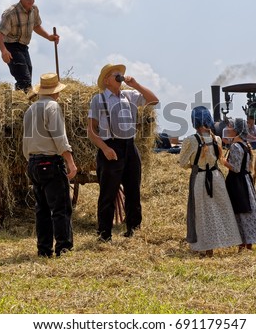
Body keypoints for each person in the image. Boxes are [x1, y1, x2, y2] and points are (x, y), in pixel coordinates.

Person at [87, 63, 159, 242]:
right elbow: (91, 130)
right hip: (111, 146)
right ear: (107, 80)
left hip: (129, 146)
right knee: (108, 193)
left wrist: (136, 84)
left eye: (120, 74)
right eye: (115, 74)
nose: (120, 76)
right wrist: (104, 148)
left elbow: (154, 100)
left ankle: (134, 230)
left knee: (133, 190)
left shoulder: (130, 95)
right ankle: (104, 234)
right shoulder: (99, 99)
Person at [23, 73, 77, 257]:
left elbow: (25, 142)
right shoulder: (52, 107)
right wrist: (70, 161)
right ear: (55, 92)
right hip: (50, 162)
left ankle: (44, 249)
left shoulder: (30, 109)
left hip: (33, 162)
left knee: (42, 209)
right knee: (61, 207)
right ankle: (64, 248)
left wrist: (31, 161)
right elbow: (60, 138)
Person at [179, 107, 242, 257]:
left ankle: (207, 248)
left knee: (202, 212)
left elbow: (182, 163)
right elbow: (219, 159)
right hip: (216, 177)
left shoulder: (190, 140)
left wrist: (192, 166)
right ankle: (229, 240)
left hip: (200, 178)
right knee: (222, 209)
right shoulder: (217, 139)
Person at [0, 0, 60, 92]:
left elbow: (36, 26)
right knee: (24, 79)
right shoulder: (11, 13)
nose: (32, 1)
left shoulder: (34, 10)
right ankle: (21, 103)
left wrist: (49, 36)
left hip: (24, 47)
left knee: (28, 73)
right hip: (11, 46)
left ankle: (22, 99)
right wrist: (4, 51)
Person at [222, 118, 256, 250]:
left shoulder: (235, 146)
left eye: (230, 127)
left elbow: (235, 168)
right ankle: (248, 244)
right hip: (245, 181)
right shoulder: (245, 145)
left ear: (235, 130)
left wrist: (222, 160)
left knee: (239, 211)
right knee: (245, 210)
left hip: (237, 182)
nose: (227, 129)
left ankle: (243, 244)